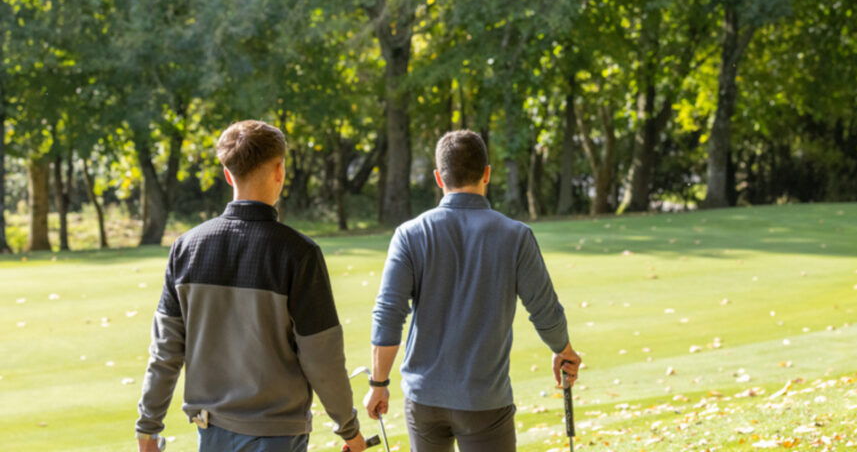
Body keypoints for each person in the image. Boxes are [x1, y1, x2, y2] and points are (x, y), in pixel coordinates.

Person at [134, 120, 367, 452]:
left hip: (210, 430)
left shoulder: (186, 248)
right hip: (278, 434)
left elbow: (165, 352)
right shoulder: (299, 254)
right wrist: (349, 429)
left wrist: (147, 429)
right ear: (279, 172)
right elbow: (322, 357)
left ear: (228, 174)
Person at [364, 129, 581, 452]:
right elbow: (545, 309)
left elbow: (388, 314)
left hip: (424, 400)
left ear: (439, 178)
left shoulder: (409, 234)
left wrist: (378, 384)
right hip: (484, 401)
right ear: (487, 174)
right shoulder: (516, 235)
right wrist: (563, 350)